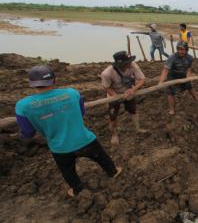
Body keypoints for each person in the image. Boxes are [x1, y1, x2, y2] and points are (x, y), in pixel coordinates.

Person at [15, 65, 122, 197]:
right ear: (54, 80)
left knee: (67, 170)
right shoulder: (72, 93)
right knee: (102, 157)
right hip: (84, 139)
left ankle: (77, 189)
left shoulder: (22, 106)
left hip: (59, 147)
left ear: (31, 83)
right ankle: (113, 171)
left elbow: (28, 133)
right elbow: (81, 112)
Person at [101, 51, 147, 146]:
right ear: (120, 64)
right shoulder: (107, 73)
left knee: (133, 110)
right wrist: (115, 96)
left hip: (129, 92)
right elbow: (106, 87)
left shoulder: (133, 65)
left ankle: (137, 128)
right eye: (127, 63)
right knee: (113, 115)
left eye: (129, 61)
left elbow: (142, 80)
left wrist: (133, 90)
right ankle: (114, 135)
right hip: (114, 94)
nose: (130, 63)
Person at [159, 41, 198, 115]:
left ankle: (197, 99)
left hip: (183, 74)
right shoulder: (172, 58)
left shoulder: (190, 58)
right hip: (172, 76)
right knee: (170, 92)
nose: (180, 51)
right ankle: (171, 109)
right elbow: (165, 70)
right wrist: (161, 82)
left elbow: (189, 68)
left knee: (190, 87)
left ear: (186, 50)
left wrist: (188, 77)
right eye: (179, 49)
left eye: (182, 49)